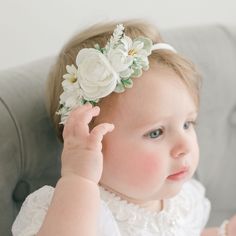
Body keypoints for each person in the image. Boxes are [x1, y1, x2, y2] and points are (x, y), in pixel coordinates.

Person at [12, 20, 236, 236]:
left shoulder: (182, 201)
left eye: (188, 124)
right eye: (156, 132)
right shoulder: (82, 211)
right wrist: (78, 178)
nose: (185, 146)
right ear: (91, 142)